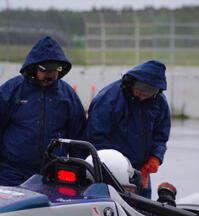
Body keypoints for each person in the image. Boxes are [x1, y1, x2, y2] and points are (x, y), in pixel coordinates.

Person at [0, 36, 86, 186]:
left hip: (53, 173)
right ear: (34, 67)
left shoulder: (67, 95)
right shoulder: (11, 90)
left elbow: (78, 135)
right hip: (12, 172)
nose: (51, 74)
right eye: (46, 69)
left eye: (55, 69)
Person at [85, 60, 171, 198]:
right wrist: (111, 166)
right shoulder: (109, 98)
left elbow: (161, 135)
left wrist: (156, 157)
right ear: (132, 82)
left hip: (141, 170)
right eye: (140, 90)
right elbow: (96, 136)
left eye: (150, 92)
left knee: (143, 210)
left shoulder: (159, 102)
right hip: (112, 169)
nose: (143, 95)